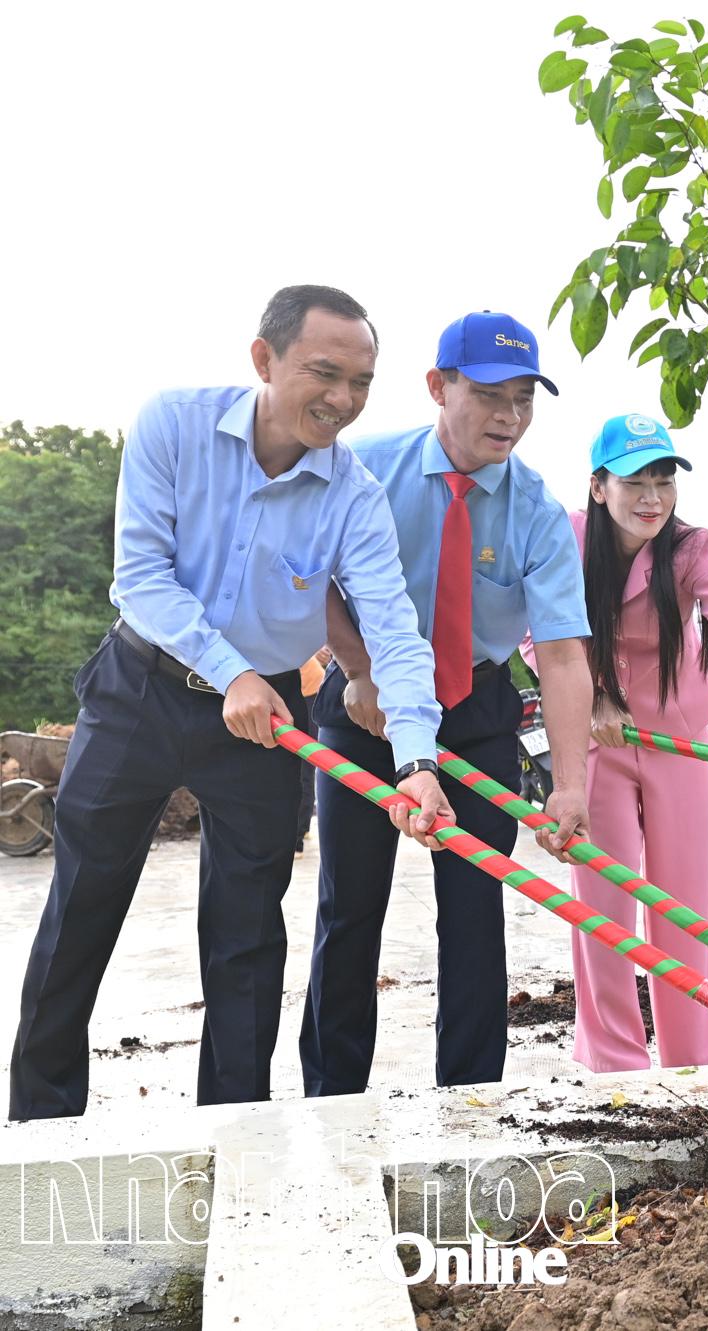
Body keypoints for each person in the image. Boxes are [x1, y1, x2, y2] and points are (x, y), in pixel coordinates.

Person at [9, 286, 452, 1120]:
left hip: (266, 717)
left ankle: (236, 1135)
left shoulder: (354, 494)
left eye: (361, 382)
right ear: (264, 359)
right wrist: (228, 670)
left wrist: (417, 761)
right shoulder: (173, 425)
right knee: (81, 909)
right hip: (140, 689)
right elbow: (140, 576)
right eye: (325, 373)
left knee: (248, 936)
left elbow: (394, 629)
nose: (343, 400)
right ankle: (39, 1128)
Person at [300, 312, 593, 1095]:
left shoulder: (535, 509)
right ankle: (331, 1096)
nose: (510, 417)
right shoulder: (367, 470)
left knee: (474, 915)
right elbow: (315, 577)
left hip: (475, 711)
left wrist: (570, 784)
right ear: (438, 386)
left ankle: (470, 1098)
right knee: (349, 908)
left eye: (525, 398)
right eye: (491, 395)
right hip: (364, 704)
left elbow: (564, 655)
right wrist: (358, 669)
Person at [549, 413, 708, 1071]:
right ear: (598, 484)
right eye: (636, 480)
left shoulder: (693, 547)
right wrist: (593, 698)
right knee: (602, 903)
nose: (652, 497)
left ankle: (696, 1047)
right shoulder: (567, 540)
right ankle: (613, 1055)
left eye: (664, 479)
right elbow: (541, 632)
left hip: (679, 738)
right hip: (600, 741)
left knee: (685, 899)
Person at [295, 646, 332, 854]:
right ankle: (302, 825)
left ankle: (297, 839)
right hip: (289, 690)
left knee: (304, 765)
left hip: (310, 691)